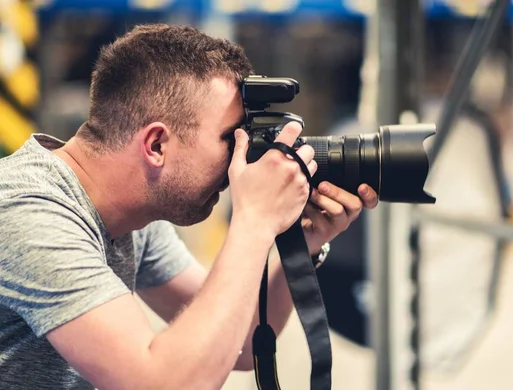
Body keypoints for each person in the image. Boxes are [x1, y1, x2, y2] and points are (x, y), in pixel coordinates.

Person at [0, 24, 378, 389]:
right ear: (156, 145)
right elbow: (163, 383)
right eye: (231, 140)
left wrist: (305, 240)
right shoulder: (29, 213)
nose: (238, 164)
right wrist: (253, 223)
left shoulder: (134, 214)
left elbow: (242, 343)